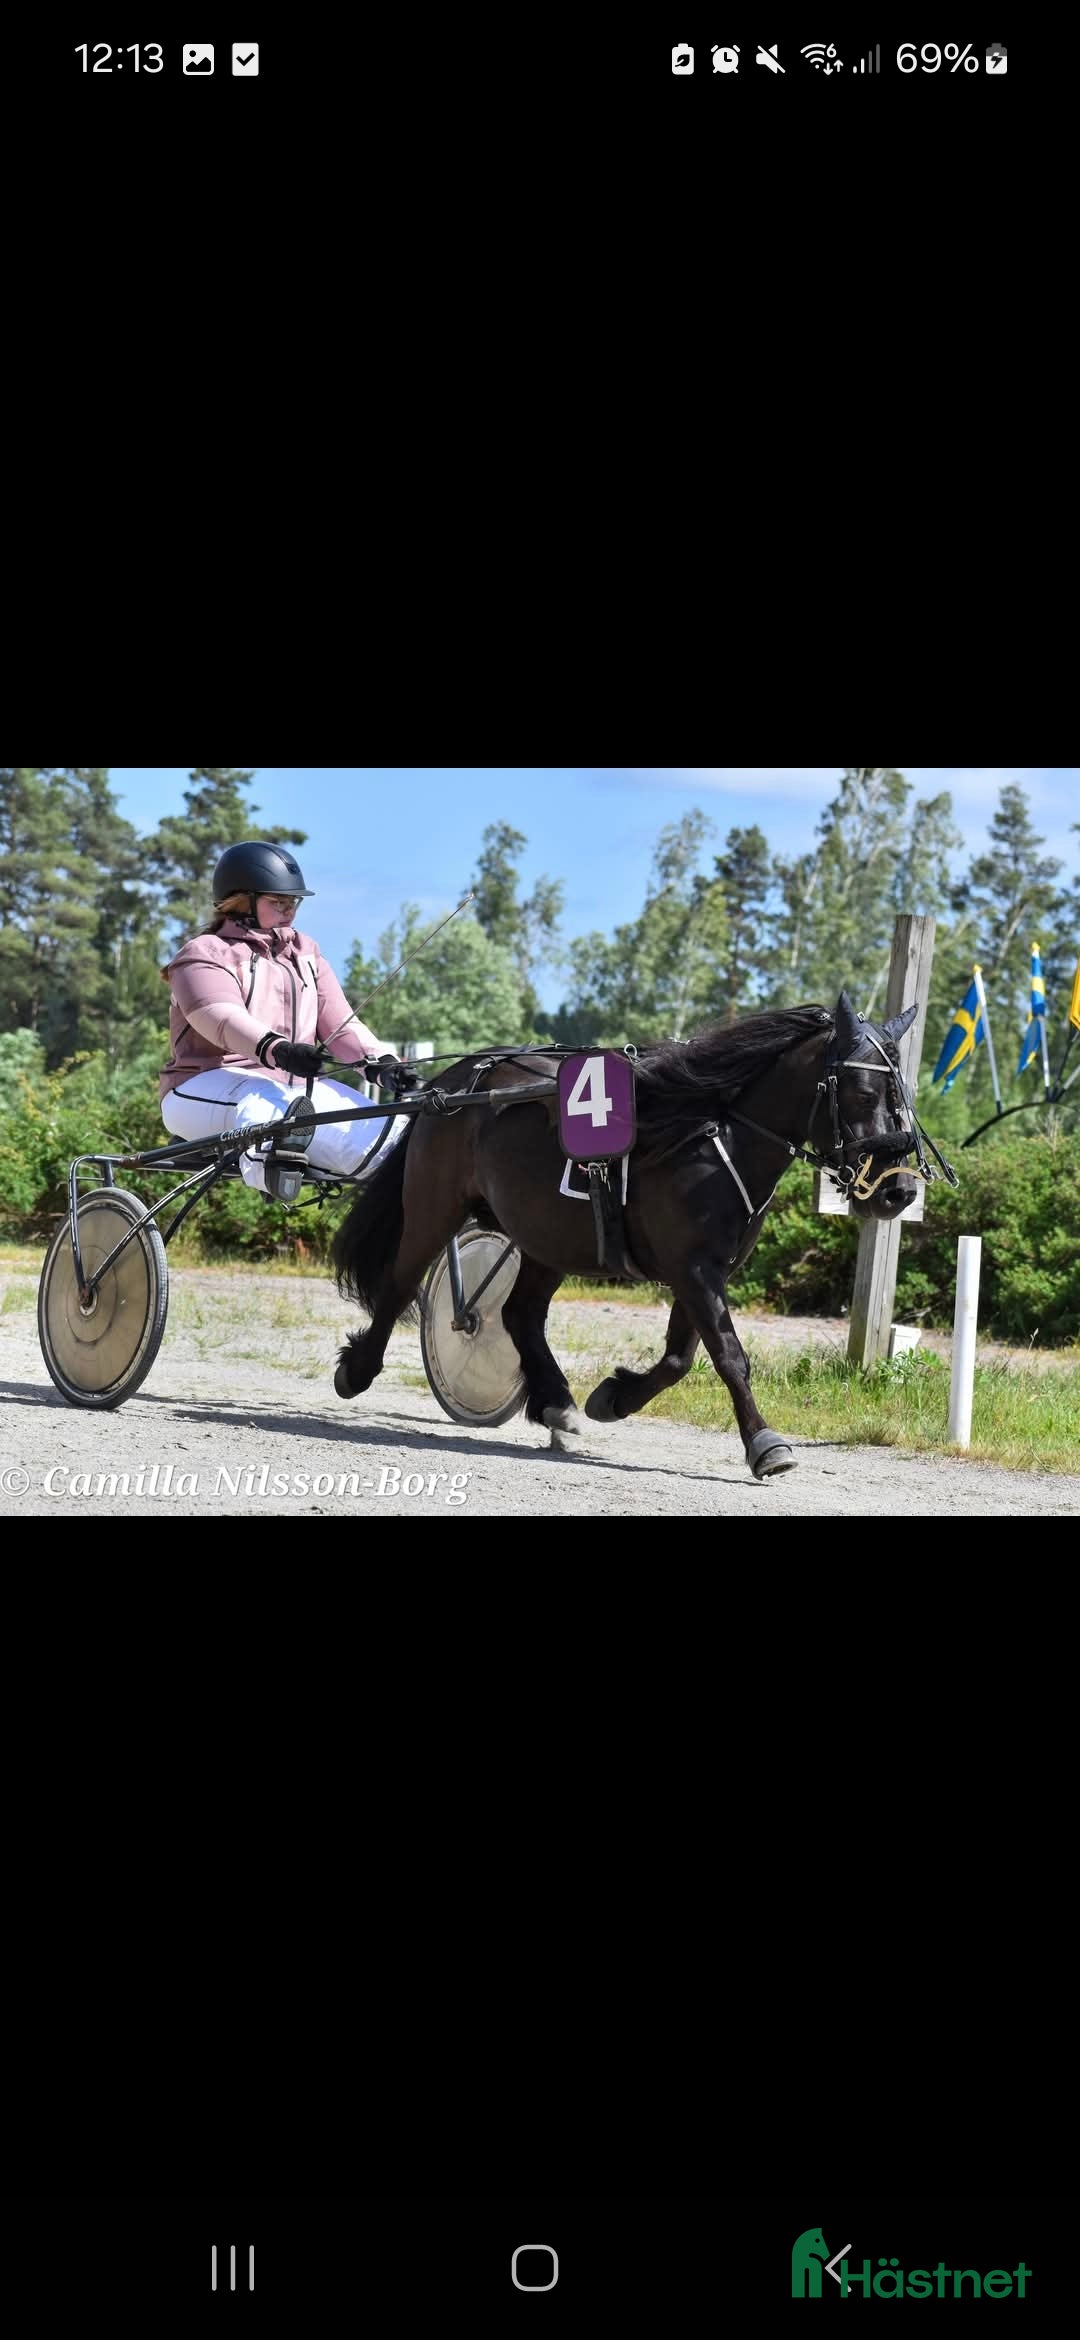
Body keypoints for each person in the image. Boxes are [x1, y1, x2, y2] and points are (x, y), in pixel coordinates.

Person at [159, 841, 414, 1191]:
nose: (289, 911)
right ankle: (272, 1175)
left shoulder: (306, 955)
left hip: (293, 1092)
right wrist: (279, 1050)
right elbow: (220, 1018)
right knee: (264, 1104)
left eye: (292, 902)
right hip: (201, 1086)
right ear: (241, 901)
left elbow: (341, 1027)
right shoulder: (202, 954)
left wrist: (381, 1064)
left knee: (396, 1134)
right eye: (277, 902)